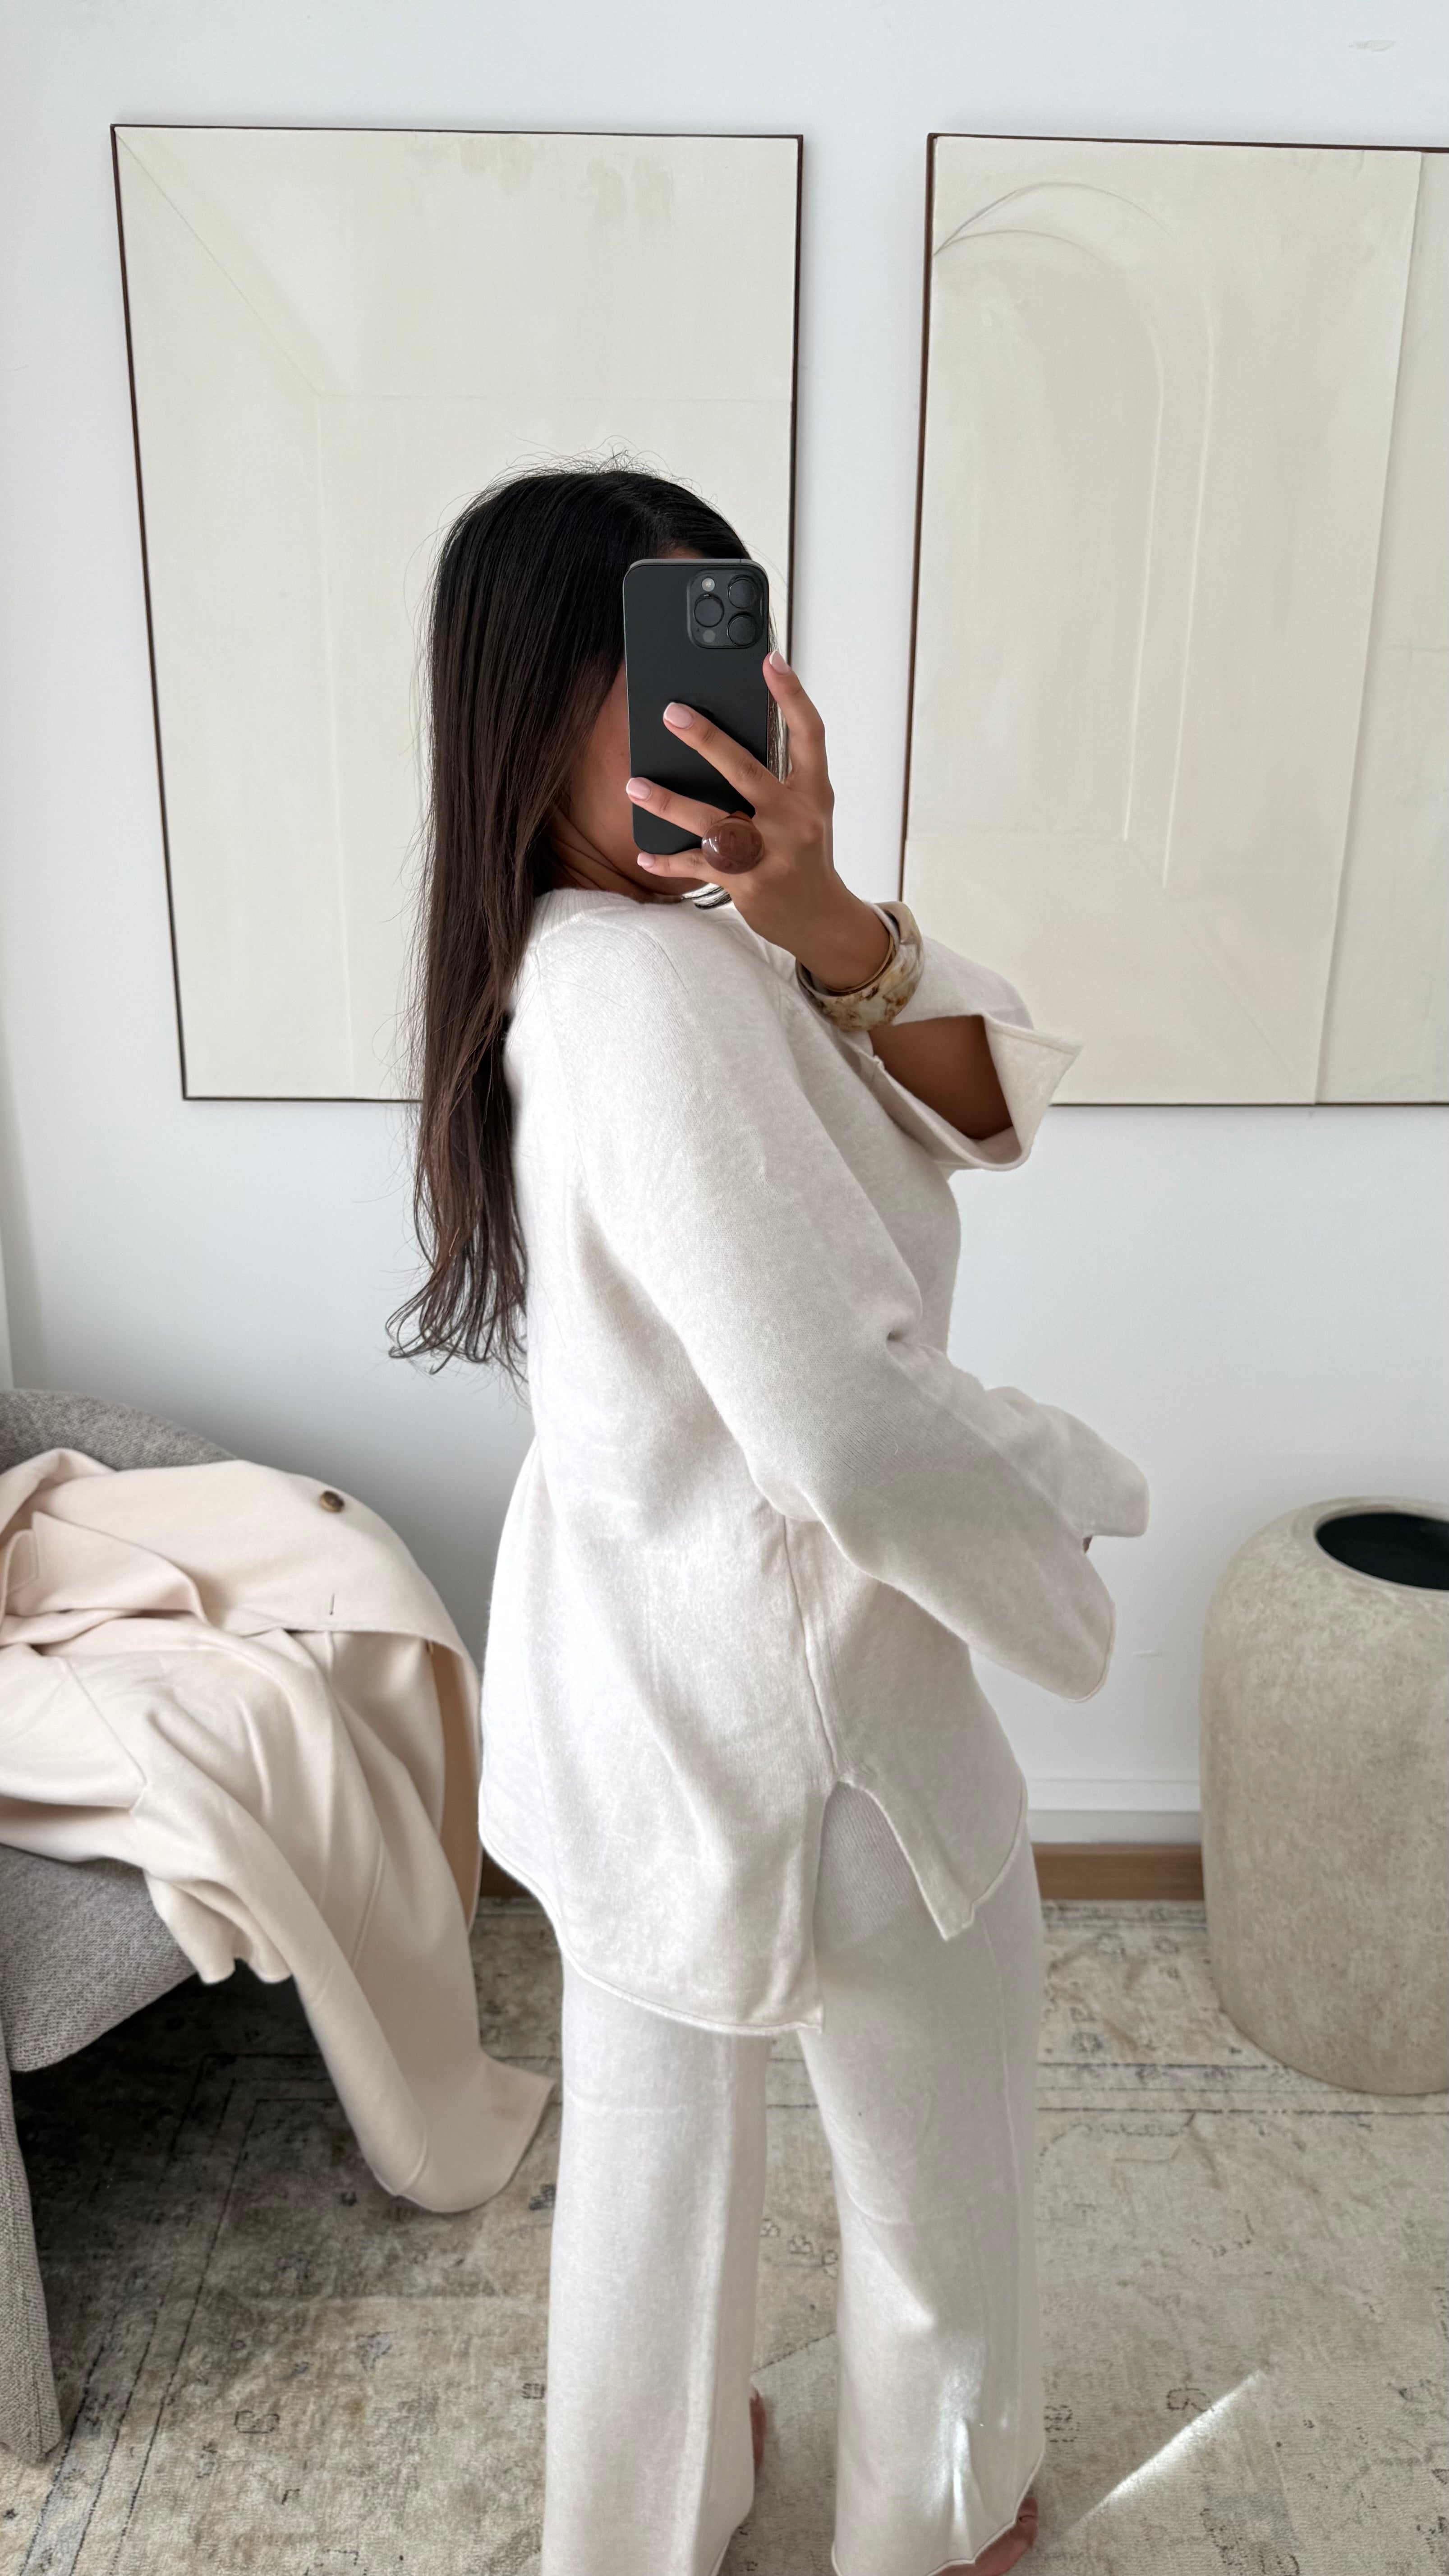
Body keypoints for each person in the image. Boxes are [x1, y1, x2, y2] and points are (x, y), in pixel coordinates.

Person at [393, 462, 1149, 2576]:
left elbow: (971, 1110)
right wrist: (1069, 1501)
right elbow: (841, 1421)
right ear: (523, 707)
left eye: (709, 651)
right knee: (943, 2183)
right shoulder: (653, 992)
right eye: (627, 668)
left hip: (630, 1689)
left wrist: (825, 916)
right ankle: (944, 2520)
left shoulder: (605, 961)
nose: (684, 714)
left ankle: (658, 2499)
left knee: (657, 2177)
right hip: (824, 1725)